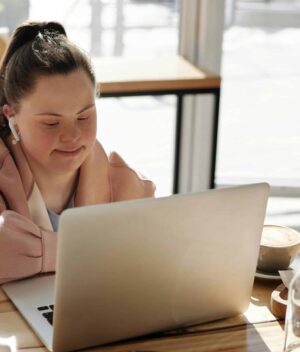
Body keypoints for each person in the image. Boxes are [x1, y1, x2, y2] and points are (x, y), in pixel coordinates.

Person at [0, 21, 155, 284]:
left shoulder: (123, 183)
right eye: (51, 122)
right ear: (11, 115)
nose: (72, 136)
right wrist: (87, 250)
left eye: (84, 117)